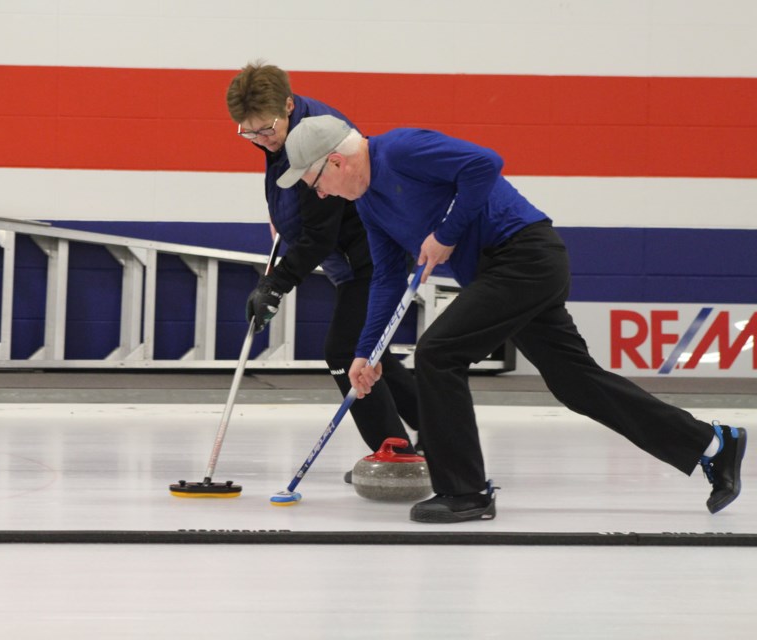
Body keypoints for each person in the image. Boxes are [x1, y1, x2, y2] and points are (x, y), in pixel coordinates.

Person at [276, 114, 747, 523]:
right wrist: (367, 351)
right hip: (500, 272)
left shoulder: (400, 149)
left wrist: (446, 232)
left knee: (439, 353)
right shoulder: (369, 202)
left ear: (335, 162)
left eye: (315, 183)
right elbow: (385, 278)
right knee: (576, 383)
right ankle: (712, 445)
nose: (320, 194)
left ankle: (466, 492)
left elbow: (485, 163)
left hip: (525, 256)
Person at [226, 62, 420, 464]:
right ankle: (440, 429)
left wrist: (275, 285)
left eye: (266, 130)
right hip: (351, 259)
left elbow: (320, 236)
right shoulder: (282, 131)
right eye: (249, 131)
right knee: (373, 353)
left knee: (347, 350)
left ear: (290, 105)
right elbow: (298, 208)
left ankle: (395, 452)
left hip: (372, 254)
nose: (260, 140)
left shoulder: (312, 140)